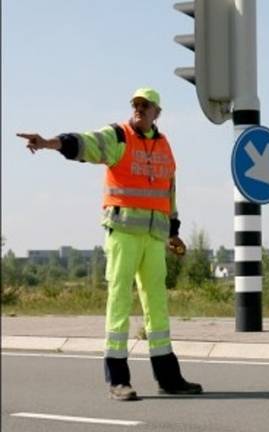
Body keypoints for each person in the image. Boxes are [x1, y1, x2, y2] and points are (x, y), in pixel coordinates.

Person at [17, 88, 202, 401]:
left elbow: (169, 192)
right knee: (119, 302)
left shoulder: (164, 145)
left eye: (146, 106)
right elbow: (86, 143)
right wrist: (49, 142)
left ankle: (169, 378)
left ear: (158, 112)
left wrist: (173, 231)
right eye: (136, 105)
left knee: (157, 305)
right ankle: (118, 380)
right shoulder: (119, 136)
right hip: (124, 234)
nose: (139, 109)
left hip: (155, 238)